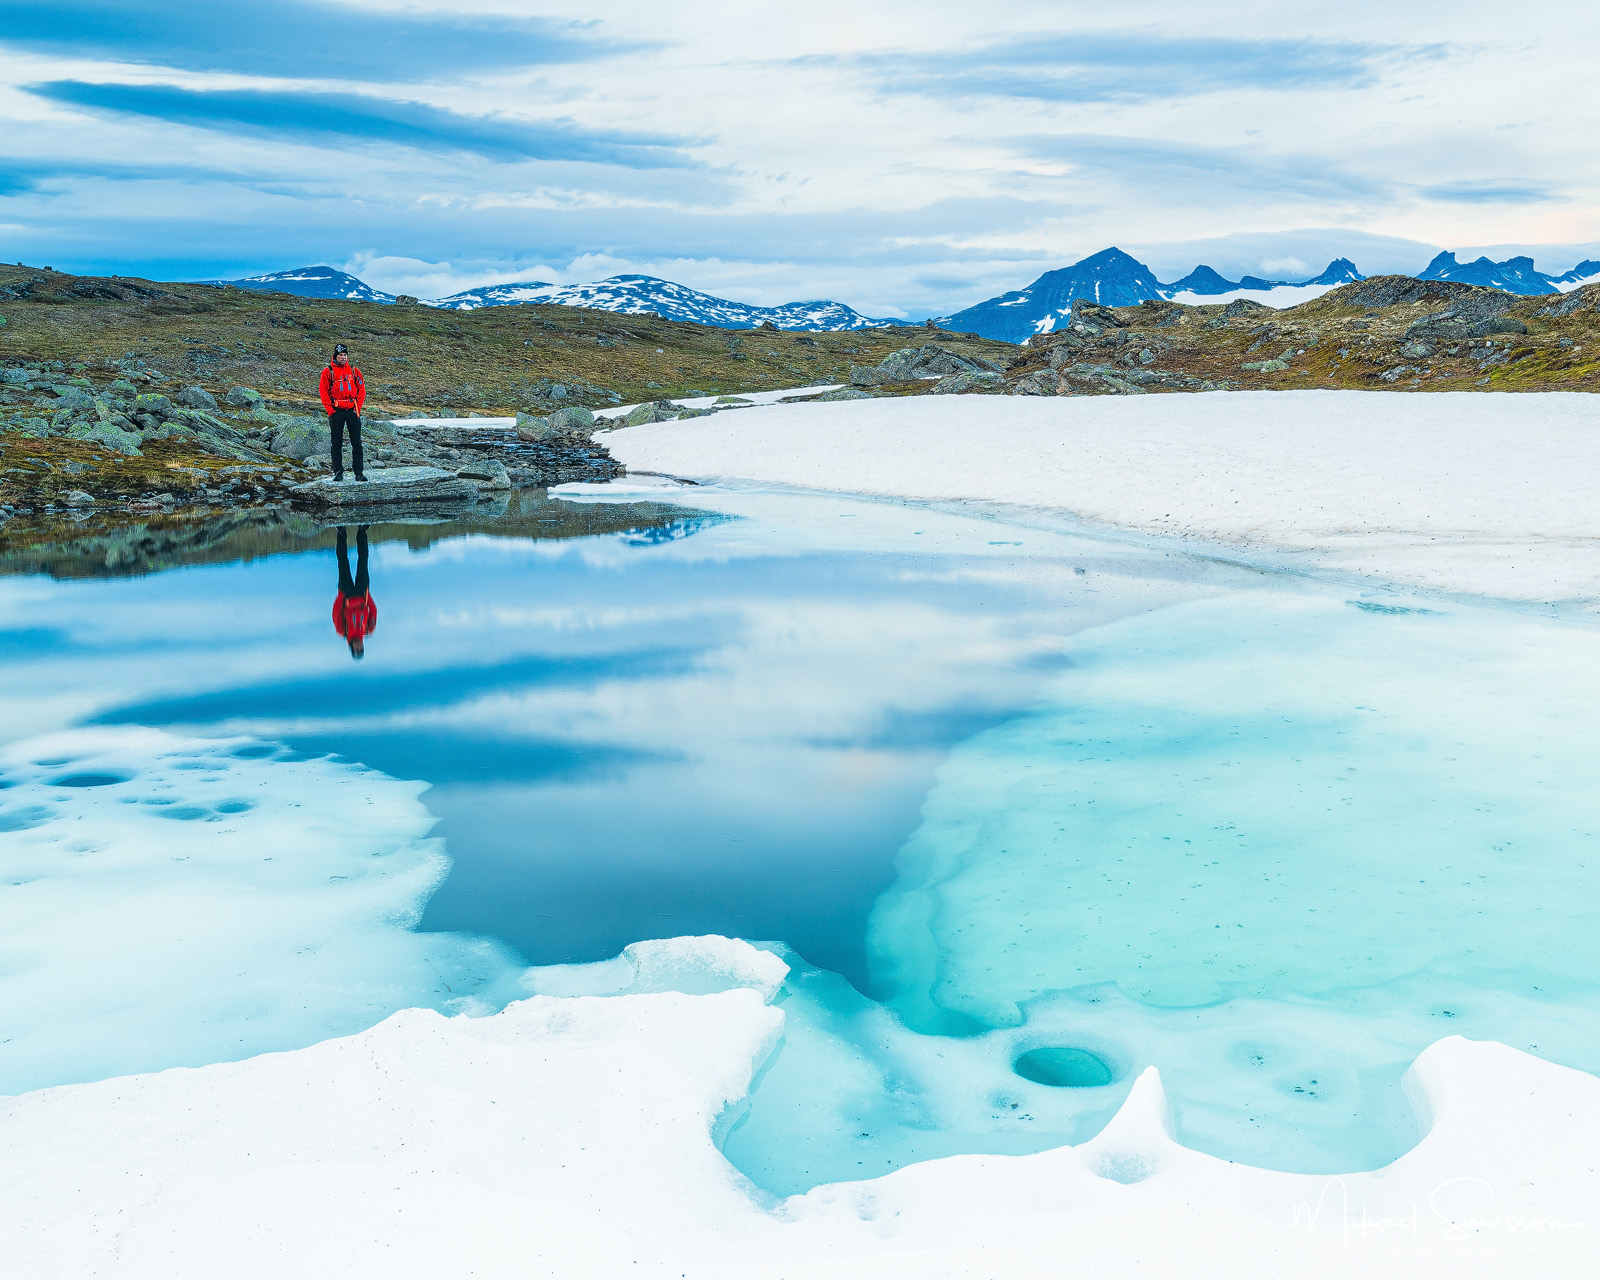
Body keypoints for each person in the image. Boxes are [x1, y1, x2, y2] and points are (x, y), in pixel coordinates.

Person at [318, 342, 367, 482]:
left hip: (352, 410)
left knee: (356, 443)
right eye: (340, 355)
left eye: (345, 355)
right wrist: (330, 411)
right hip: (336, 411)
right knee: (336, 443)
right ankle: (338, 472)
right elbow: (323, 392)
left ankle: (359, 473)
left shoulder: (354, 371)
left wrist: (358, 408)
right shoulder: (328, 372)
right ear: (335, 356)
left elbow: (361, 390)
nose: (343, 357)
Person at [332, 525, 377, 659]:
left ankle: (341, 532)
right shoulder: (369, 630)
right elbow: (373, 610)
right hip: (362, 594)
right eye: (361, 648)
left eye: (357, 649)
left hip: (346, 594)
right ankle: (362, 531)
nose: (359, 646)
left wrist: (341, 595)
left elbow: (336, 612)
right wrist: (368, 596)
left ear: (351, 647)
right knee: (363, 560)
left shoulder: (342, 631)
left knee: (343, 562)